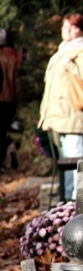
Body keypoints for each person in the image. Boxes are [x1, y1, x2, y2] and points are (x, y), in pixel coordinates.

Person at [38, 13, 83, 200]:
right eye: (65, 26)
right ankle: (66, 202)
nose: (67, 30)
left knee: (75, 163)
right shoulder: (64, 50)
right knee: (67, 164)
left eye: (73, 27)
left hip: (74, 116)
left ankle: (76, 204)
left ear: (82, 30)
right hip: (62, 117)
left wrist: (72, 66)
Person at [0, 28, 20, 173]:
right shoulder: (11, 59)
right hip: (9, 100)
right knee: (3, 130)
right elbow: (17, 83)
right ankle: (6, 152)